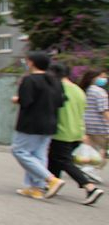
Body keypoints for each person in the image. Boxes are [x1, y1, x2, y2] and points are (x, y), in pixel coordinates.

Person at [46, 62, 104, 205]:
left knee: (63, 160)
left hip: (62, 130)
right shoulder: (78, 90)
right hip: (77, 131)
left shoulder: (58, 89)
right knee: (55, 158)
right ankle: (51, 184)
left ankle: (89, 187)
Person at [11, 52, 66, 200]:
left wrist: (17, 99)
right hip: (50, 122)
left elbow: (26, 101)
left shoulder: (29, 80)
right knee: (38, 154)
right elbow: (61, 102)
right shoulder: (55, 81)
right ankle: (36, 188)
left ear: (32, 63)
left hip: (30, 123)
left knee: (20, 151)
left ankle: (50, 179)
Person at [80, 68, 109, 170]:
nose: (105, 79)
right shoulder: (100, 92)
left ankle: (87, 167)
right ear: (94, 78)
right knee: (101, 149)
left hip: (87, 124)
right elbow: (104, 110)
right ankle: (90, 169)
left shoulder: (84, 90)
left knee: (92, 148)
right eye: (102, 77)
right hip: (100, 126)